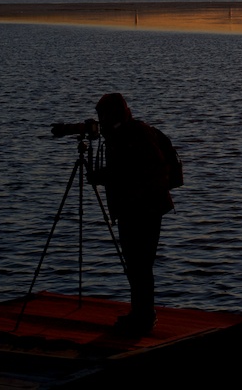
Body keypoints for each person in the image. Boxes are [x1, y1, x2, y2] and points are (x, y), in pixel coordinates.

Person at [93, 92, 175, 336]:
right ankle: (140, 313)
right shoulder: (124, 134)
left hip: (143, 208)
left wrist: (104, 177)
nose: (100, 120)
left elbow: (135, 171)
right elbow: (127, 170)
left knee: (140, 263)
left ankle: (144, 316)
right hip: (138, 207)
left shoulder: (134, 135)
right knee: (137, 264)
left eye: (102, 115)